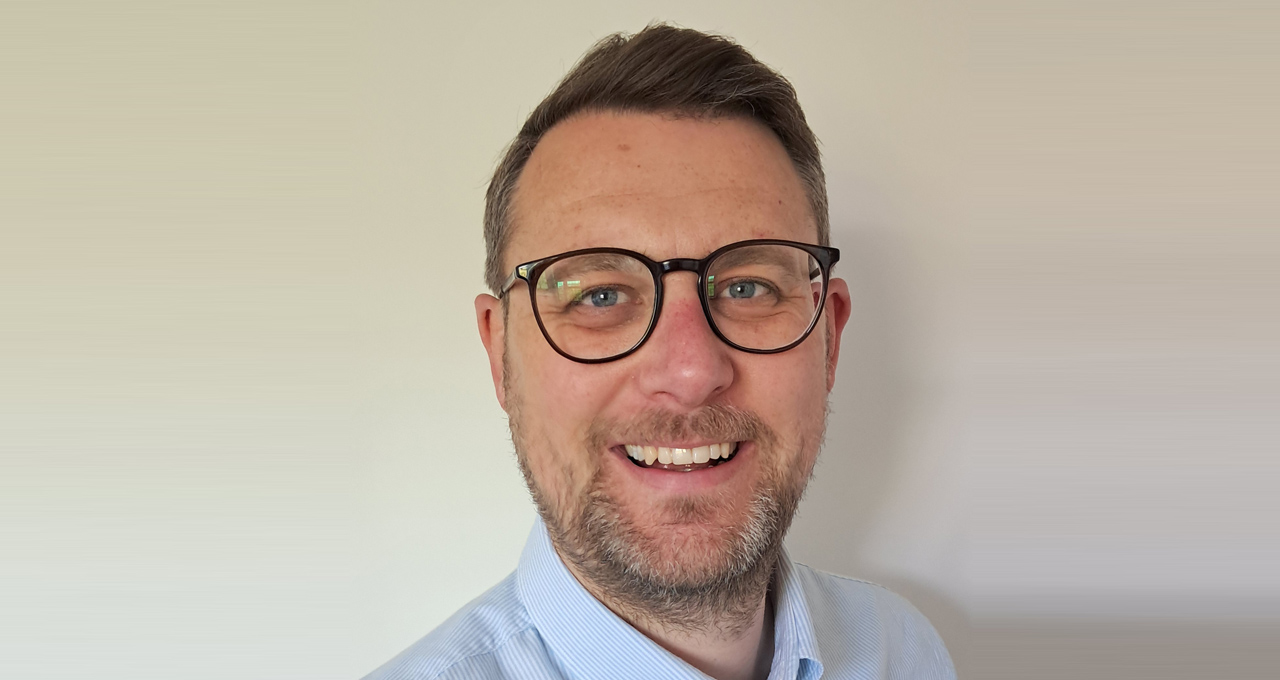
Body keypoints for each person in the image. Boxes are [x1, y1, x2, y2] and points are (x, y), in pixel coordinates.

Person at [365, 24, 954, 680]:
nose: (691, 371)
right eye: (598, 295)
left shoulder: (905, 651)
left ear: (830, 339)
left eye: (748, 286)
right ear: (500, 350)